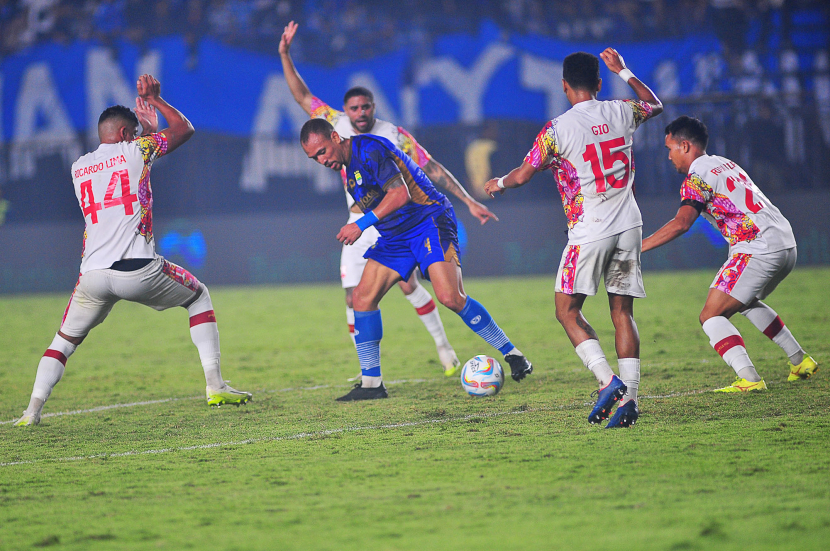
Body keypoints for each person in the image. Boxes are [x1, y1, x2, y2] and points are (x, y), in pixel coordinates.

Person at [14, 75, 251, 427]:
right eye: (136, 131)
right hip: (137, 268)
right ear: (127, 135)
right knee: (199, 296)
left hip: (92, 274)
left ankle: (30, 412)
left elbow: (116, 169)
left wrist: (143, 132)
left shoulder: (79, 167)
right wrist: (155, 101)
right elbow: (184, 129)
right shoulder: (137, 150)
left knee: (62, 342)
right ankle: (215, 385)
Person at [280, 20, 499, 378]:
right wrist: (285, 54)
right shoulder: (333, 127)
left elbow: (433, 170)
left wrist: (468, 201)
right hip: (356, 223)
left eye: (365, 107)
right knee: (355, 298)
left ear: (373, 107)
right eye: (353, 109)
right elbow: (301, 96)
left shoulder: (394, 136)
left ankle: (445, 349)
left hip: (395, 222)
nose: (359, 114)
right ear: (345, 114)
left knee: (409, 286)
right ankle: (367, 372)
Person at [484, 49, 663, 428]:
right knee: (622, 313)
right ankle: (629, 399)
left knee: (566, 311)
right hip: (629, 223)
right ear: (599, 83)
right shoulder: (620, 110)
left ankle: (606, 381)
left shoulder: (557, 129)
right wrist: (625, 71)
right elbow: (656, 105)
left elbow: (522, 175)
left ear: (564, 86)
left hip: (589, 229)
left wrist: (498, 183)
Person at [300, 118, 533, 401]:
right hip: (396, 236)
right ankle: (372, 384)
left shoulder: (370, 149)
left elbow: (400, 195)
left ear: (335, 137)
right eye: (314, 158)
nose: (321, 160)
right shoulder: (350, 176)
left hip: (428, 221)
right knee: (361, 298)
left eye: (322, 151)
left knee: (451, 297)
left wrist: (359, 226)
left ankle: (513, 353)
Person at [642, 115, 818, 391]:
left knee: (710, 315)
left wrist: (638, 247)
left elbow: (682, 222)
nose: (669, 157)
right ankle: (800, 360)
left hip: (757, 248)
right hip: (785, 242)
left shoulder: (696, 176)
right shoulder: (724, 163)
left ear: (685, 146)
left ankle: (749, 378)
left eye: (670, 149)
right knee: (743, 301)